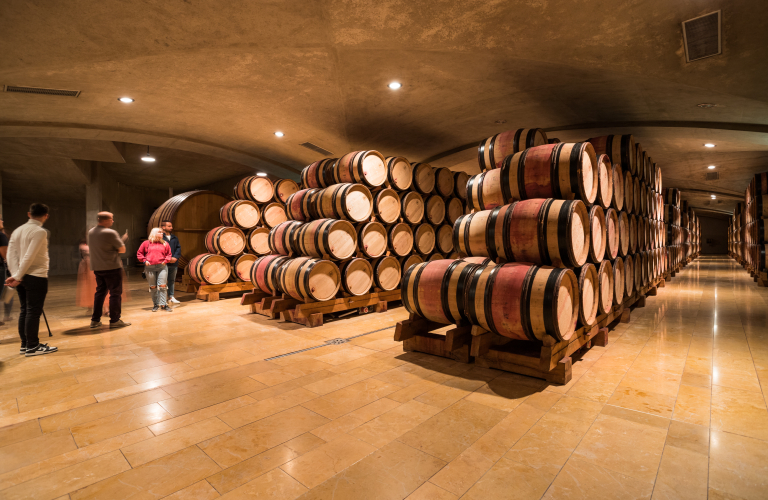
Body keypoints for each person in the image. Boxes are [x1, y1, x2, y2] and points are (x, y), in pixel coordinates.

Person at [5, 203, 57, 356]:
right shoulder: (39, 232)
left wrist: (16, 274)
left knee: (25, 310)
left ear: (29, 214)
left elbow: (10, 255)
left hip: (21, 276)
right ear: (46, 216)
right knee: (33, 311)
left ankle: (25, 344)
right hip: (36, 275)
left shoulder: (17, 231)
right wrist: (18, 276)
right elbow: (29, 256)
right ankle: (33, 346)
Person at [88, 211, 131, 329]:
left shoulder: (91, 232)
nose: (113, 221)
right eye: (111, 219)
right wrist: (123, 240)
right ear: (106, 220)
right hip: (112, 267)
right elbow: (122, 250)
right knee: (115, 294)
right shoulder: (111, 233)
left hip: (97, 267)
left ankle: (95, 320)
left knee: (100, 293)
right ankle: (115, 320)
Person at [137, 227, 172, 312]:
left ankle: (163, 305)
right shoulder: (146, 243)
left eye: (162, 232)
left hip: (162, 267)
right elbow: (139, 253)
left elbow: (169, 254)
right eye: (159, 232)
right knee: (153, 287)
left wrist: (166, 260)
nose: (162, 233)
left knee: (162, 286)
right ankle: (155, 304)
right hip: (150, 267)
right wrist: (144, 261)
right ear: (154, 233)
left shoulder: (165, 243)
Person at [161, 220, 181, 304]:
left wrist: (175, 257)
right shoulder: (161, 238)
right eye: (169, 226)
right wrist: (168, 258)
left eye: (171, 226)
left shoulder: (174, 237)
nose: (171, 228)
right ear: (163, 227)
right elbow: (159, 250)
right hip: (163, 263)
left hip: (174, 262)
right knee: (162, 281)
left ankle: (171, 297)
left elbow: (178, 248)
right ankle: (162, 299)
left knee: (171, 280)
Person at [0, 216, 16, 325]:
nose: (2, 221)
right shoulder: (1, 236)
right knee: (7, 290)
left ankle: (7, 315)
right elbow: (4, 255)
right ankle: (7, 315)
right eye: (0, 219)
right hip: (1, 268)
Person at [75, 238, 97, 312]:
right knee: (88, 286)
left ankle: (105, 307)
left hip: (95, 265)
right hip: (87, 267)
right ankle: (90, 306)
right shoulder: (83, 244)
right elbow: (88, 251)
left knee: (98, 285)